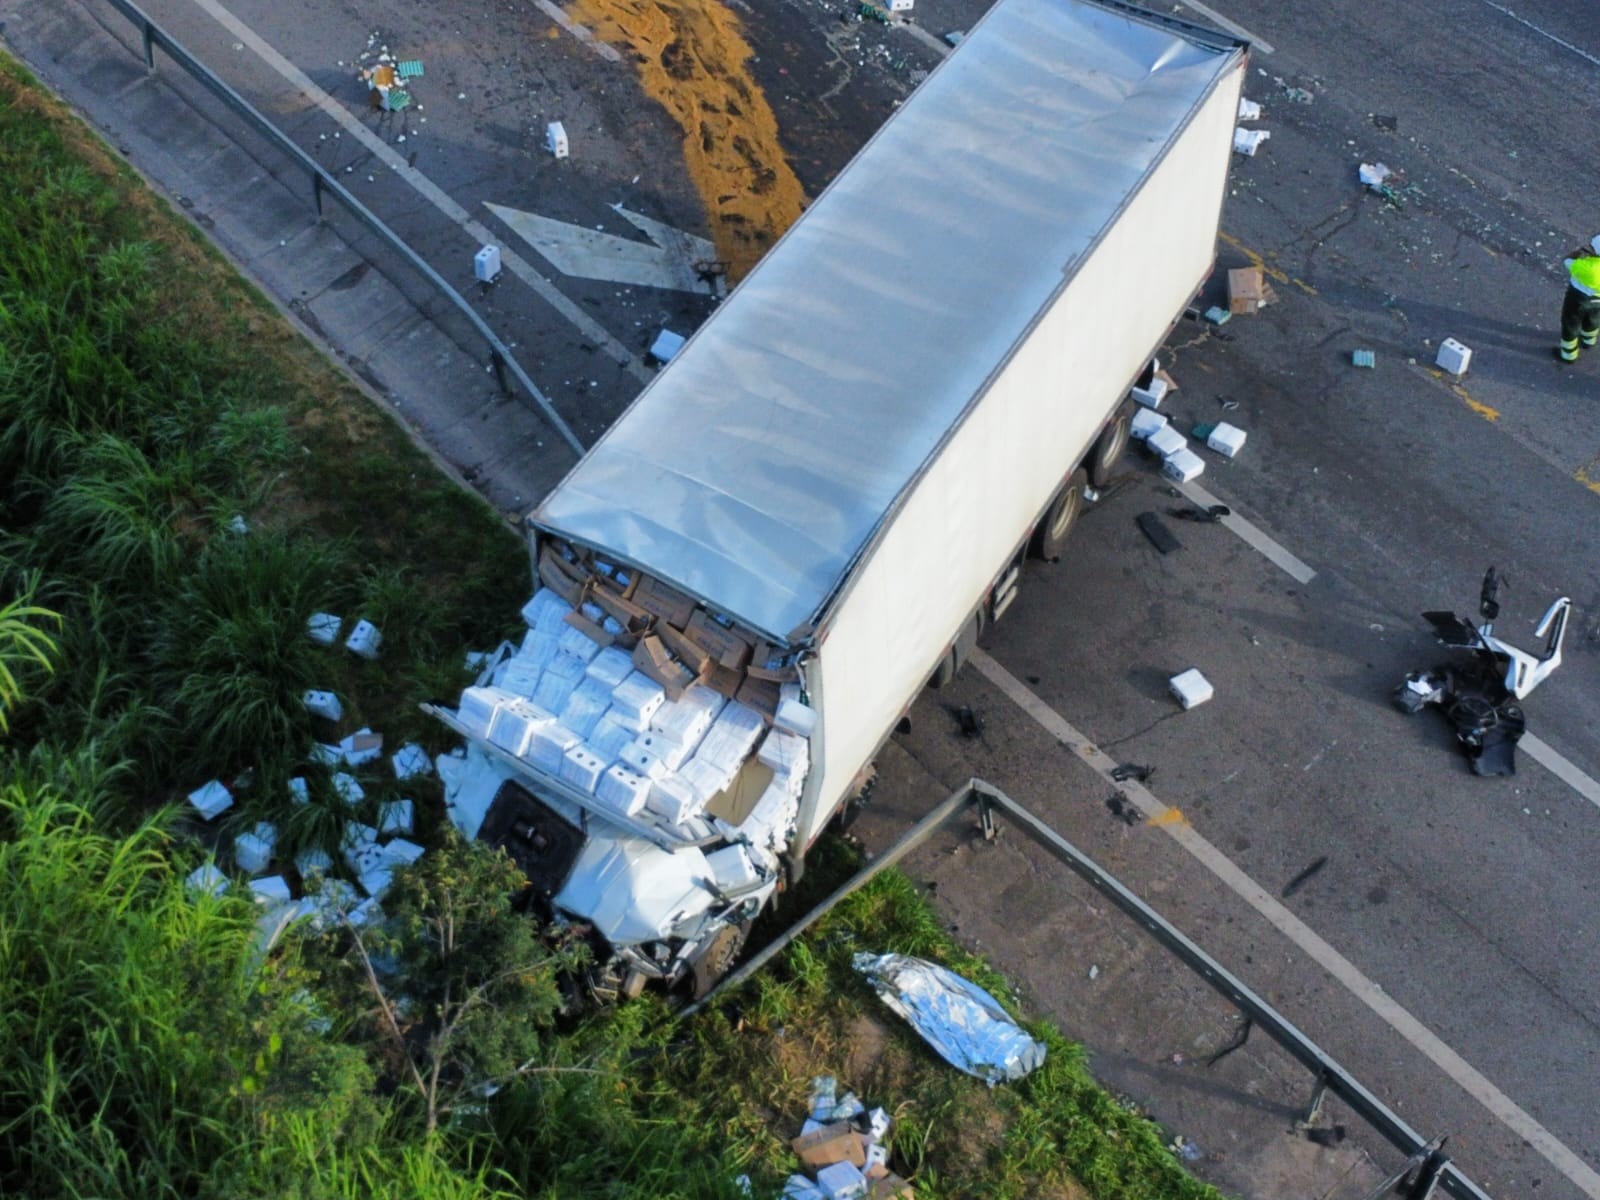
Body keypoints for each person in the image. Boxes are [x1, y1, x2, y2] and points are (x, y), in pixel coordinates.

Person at [1557, 234, 1600, 363]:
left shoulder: (1585, 266)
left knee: (1571, 324)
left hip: (1578, 299)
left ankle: (1568, 354)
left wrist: (1579, 252)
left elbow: (1567, 261)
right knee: (1593, 319)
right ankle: (1588, 340)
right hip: (1598, 301)